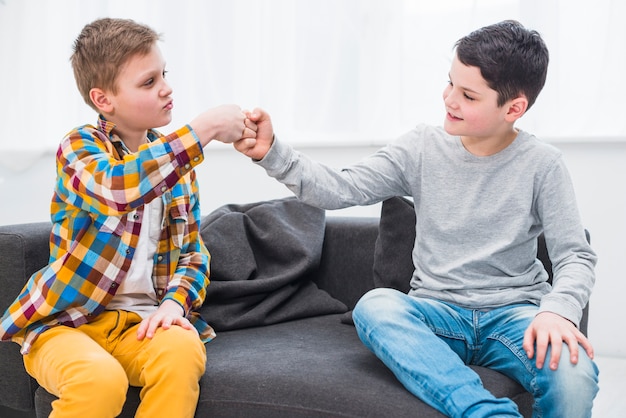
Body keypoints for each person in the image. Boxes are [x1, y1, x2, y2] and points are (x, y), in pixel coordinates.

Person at [234, 20, 599, 417]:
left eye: (468, 96)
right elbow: (341, 189)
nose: (449, 99)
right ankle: (485, 412)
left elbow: (575, 256)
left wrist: (557, 309)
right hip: (437, 313)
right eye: (450, 84)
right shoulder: (421, 147)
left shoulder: (543, 165)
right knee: (375, 307)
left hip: (514, 316)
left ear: (514, 108)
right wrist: (272, 152)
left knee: (575, 375)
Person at [0, 18, 256, 418]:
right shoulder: (80, 148)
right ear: (104, 100)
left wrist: (175, 304)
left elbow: (193, 255)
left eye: (164, 75)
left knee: (182, 352)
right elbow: (118, 189)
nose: (166, 88)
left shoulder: (179, 170)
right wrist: (203, 129)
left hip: (140, 326)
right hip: (67, 325)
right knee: (99, 381)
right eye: (148, 82)